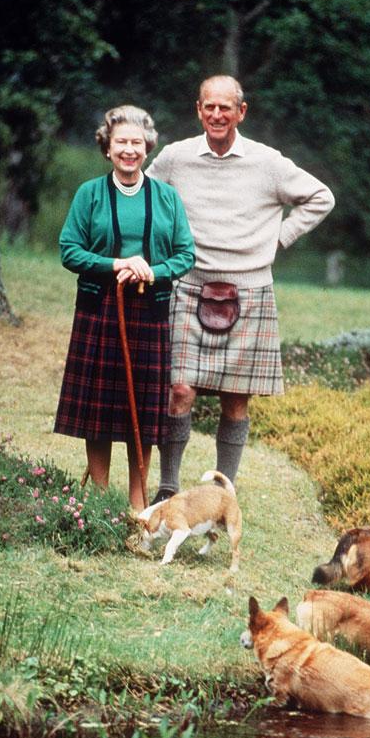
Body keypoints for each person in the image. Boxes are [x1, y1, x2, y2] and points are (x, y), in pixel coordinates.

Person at [145, 75, 334, 503]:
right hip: (188, 285)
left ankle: (221, 492)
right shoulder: (175, 158)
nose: (216, 115)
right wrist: (159, 245)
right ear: (198, 110)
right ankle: (168, 488)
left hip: (248, 291)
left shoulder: (268, 163)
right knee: (179, 390)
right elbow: (147, 196)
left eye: (225, 108)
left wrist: (279, 239)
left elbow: (321, 197)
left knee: (236, 400)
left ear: (241, 112)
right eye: (209, 107)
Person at [54, 105, 195, 510]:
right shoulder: (89, 194)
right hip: (99, 312)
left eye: (137, 143)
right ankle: (99, 498)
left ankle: (138, 502)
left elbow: (186, 255)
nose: (129, 150)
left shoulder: (167, 198)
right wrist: (116, 264)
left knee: (144, 411)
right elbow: (69, 250)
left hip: (149, 314)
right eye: (121, 143)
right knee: (98, 408)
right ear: (107, 147)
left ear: (148, 147)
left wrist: (151, 271)